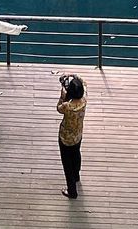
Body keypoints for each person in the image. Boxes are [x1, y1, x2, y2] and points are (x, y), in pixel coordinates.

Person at [56, 72, 86, 200]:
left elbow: (58, 108)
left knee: (66, 163)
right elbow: (82, 83)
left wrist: (62, 96)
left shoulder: (67, 106)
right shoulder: (84, 101)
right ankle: (77, 175)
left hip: (65, 137)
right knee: (76, 154)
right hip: (78, 134)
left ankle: (72, 191)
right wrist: (74, 75)